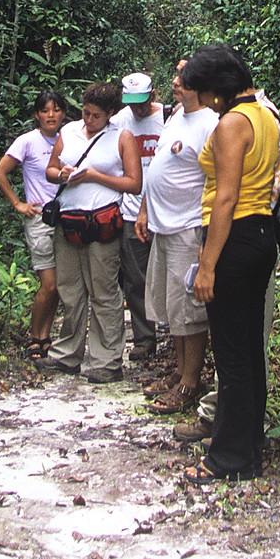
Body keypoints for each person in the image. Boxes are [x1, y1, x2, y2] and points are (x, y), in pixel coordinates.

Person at [180, 44, 280, 483]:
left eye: (202, 91)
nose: (201, 100)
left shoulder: (231, 124)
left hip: (233, 237)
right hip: (260, 235)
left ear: (217, 86)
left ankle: (228, 458)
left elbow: (226, 198)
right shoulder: (264, 115)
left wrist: (207, 265)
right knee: (248, 351)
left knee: (232, 355)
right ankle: (246, 445)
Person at [44, 83, 142, 383]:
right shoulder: (69, 132)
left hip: (102, 222)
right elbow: (50, 169)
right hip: (69, 220)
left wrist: (95, 176)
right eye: (85, 113)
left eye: (96, 115)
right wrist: (61, 175)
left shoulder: (122, 137)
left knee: (104, 291)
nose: (88, 119)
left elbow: (134, 183)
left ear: (110, 113)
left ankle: (107, 360)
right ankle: (66, 354)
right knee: (70, 289)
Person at [136, 58, 218, 415]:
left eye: (182, 77)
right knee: (172, 308)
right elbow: (158, 166)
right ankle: (180, 370)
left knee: (190, 312)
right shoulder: (175, 117)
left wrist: (206, 236)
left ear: (199, 82)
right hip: (163, 226)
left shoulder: (211, 123)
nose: (174, 81)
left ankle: (190, 381)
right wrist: (144, 210)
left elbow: (216, 179)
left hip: (189, 227)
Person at [0, 91, 67, 359]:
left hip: (65, 217)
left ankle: (46, 335)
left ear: (63, 114)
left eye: (56, 110)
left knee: (60, 284)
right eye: (45, 110)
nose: (51, 115)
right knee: (49, 283)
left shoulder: (69, 139)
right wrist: (18, 203)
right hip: (39, 218)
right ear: (37, 115)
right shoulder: (27, 141)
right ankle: (35, 336)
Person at [116, 71, 164, 365]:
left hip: (166, 210)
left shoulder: (168, 117)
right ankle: (145, 338)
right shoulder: (120, 121)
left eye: (142, 102)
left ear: (153, 95)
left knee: (170, 274)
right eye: (133, 103)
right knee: (135, 277)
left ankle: (175, 331)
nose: (138, 109)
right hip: (131, 209)